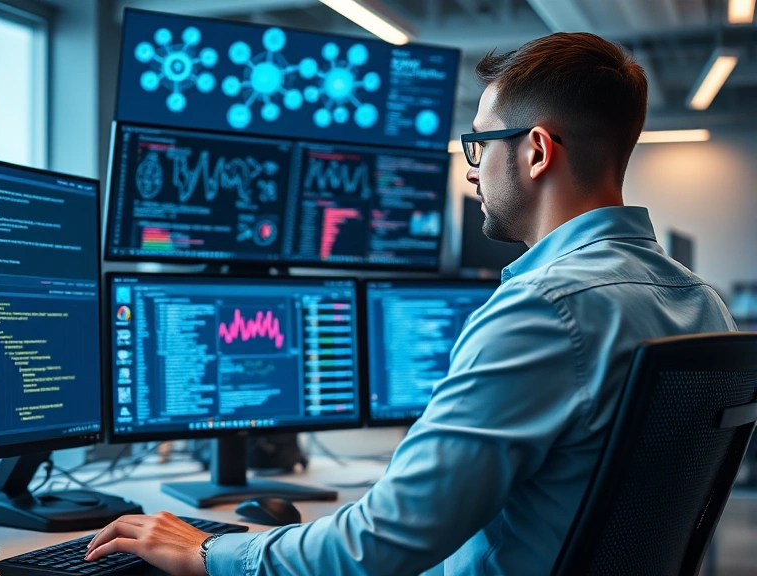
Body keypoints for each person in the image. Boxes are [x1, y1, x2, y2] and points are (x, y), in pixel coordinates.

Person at [84, 32, 736, 575]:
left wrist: (209, 552)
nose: (471, 169)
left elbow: (380, 545)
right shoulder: (704, 304)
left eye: (480, 144)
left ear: (536, 151)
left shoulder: (542, 310)